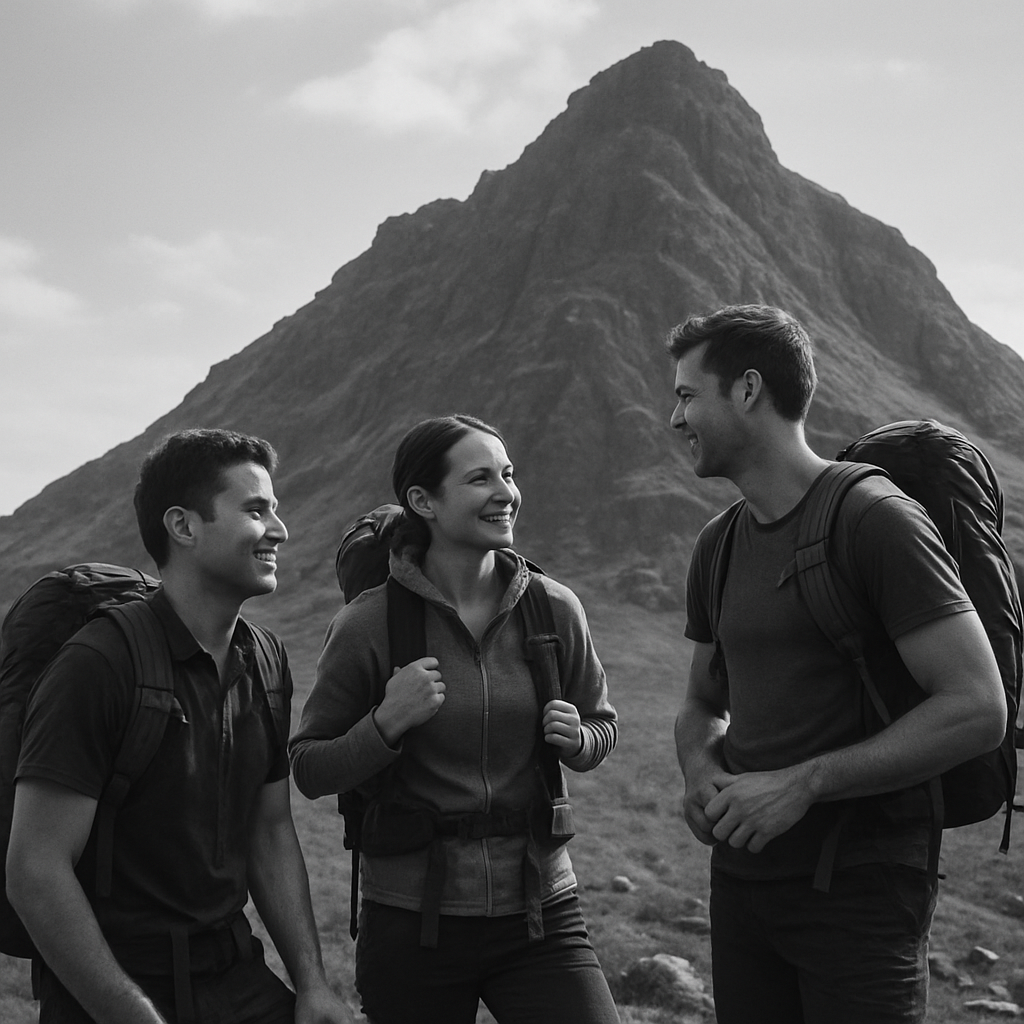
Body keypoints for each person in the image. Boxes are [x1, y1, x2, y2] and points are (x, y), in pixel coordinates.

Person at [669, 305, 1006, 1023]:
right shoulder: (718, 544)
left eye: (687, 395)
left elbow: (979, 707)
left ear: (748, 389)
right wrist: (701, 771)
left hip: (859, 887)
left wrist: (805, 783)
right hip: (743, 883)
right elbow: (702, 702)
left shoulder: (874, 519)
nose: (677, 418)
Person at [7, 429, 355, 1024]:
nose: (280, 529)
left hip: (233, 976)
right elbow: (35, 869)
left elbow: (268, 829)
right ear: (184, 526)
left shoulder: (264, 660)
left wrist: (313, 985)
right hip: (110, 989)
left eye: (275, 509)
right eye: (255, 510)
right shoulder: (101, 664)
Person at [289, 414, 620, 1024]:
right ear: (424, 501)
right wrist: (386, 722)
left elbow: (603, 727)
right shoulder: (368, 623)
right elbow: (309, 767)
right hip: (411, 921)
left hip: (540, 910)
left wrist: (581, 740)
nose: (505, 492)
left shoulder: (554, 608)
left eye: (508, 474)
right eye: (479, 479)